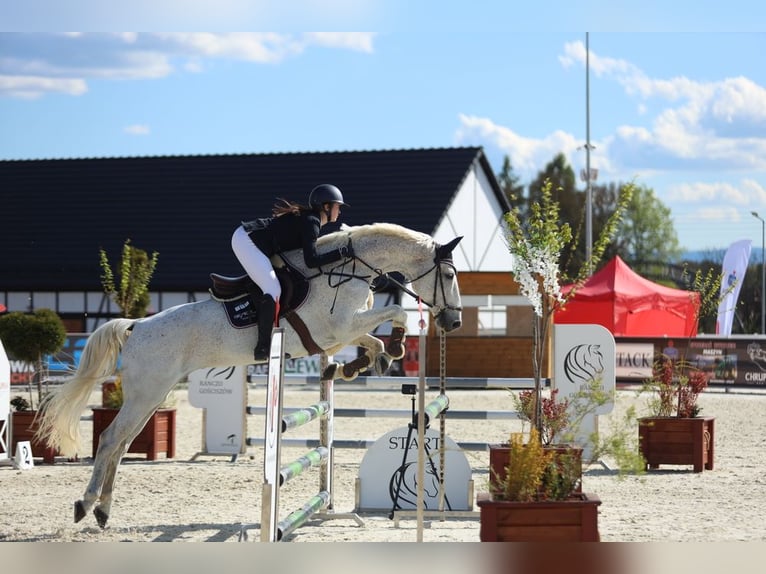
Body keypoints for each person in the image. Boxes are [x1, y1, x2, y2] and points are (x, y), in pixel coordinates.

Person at [232, 183, 352, 361]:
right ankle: (263, 348)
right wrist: (341, 253)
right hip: (247, 241)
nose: (339, 212)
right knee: (273, 290)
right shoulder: (311, 222)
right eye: (337, 207)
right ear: (326, 207)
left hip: (257, 243)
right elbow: (311, 261)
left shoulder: (311, 220)